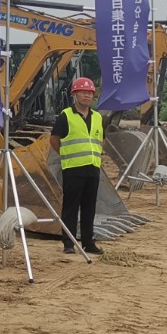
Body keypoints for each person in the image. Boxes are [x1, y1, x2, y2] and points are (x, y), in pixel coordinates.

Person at [49, 77, 106, 254]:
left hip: (93, 168)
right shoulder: (66, 116)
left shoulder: (97, 117)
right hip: (73, 169)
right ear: (75, 94)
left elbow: (101, 140)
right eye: (83, 92)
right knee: (71, 208)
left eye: (89, 93)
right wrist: (66, 155)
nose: (87, 96)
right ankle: (68, 243)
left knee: (89, 208)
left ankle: (88, 243)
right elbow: (54, 139)